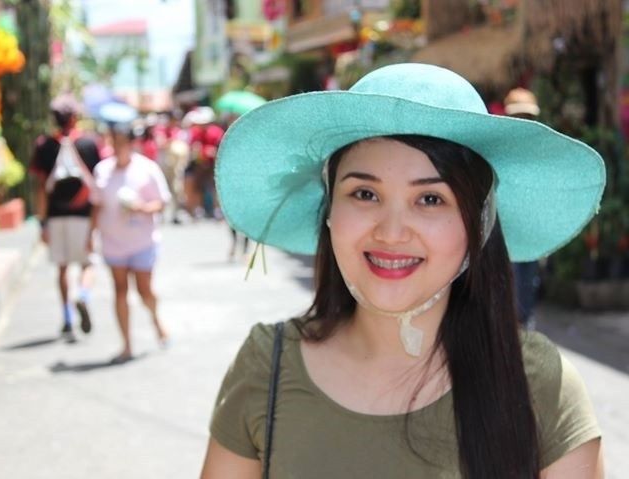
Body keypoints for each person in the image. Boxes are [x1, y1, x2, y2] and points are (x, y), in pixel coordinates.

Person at [201, 64, 605, 478]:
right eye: (364, 193)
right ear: (328, 211)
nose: (391, 233)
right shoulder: (266, 368)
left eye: (430, 199)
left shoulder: (540, 387)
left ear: (479, 223)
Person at [90, 102, 172, 363]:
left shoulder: (146, 169)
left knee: (145, 291)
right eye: (113, 141)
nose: (117, 146)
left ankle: (156, 321)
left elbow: (162, 202)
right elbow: (96, 206)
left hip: (142, 242)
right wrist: (89, 237)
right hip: (113, 242)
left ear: (130, 143)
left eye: (121, 141)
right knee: (120, 290)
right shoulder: (102, 170)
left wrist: (143, 208)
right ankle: (126, 344)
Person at [30, 94, 100, 342]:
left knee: (62, 268)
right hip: (82, 216)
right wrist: (95, 223)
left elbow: (41, 188)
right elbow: (96, 185)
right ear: (75, 117)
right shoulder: (90, 144)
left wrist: (42, 222)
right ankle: (83, 294)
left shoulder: (44, 146)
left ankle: (68, 318)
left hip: (56, 216)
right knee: (87, 264)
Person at [504, 87, 543, 328]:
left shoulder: (538, 150)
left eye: (527, 116)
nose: (523, 121)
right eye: (518, 116)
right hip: (505, 231)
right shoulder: (499, 150)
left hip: (531, 230)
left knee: (528, 284)